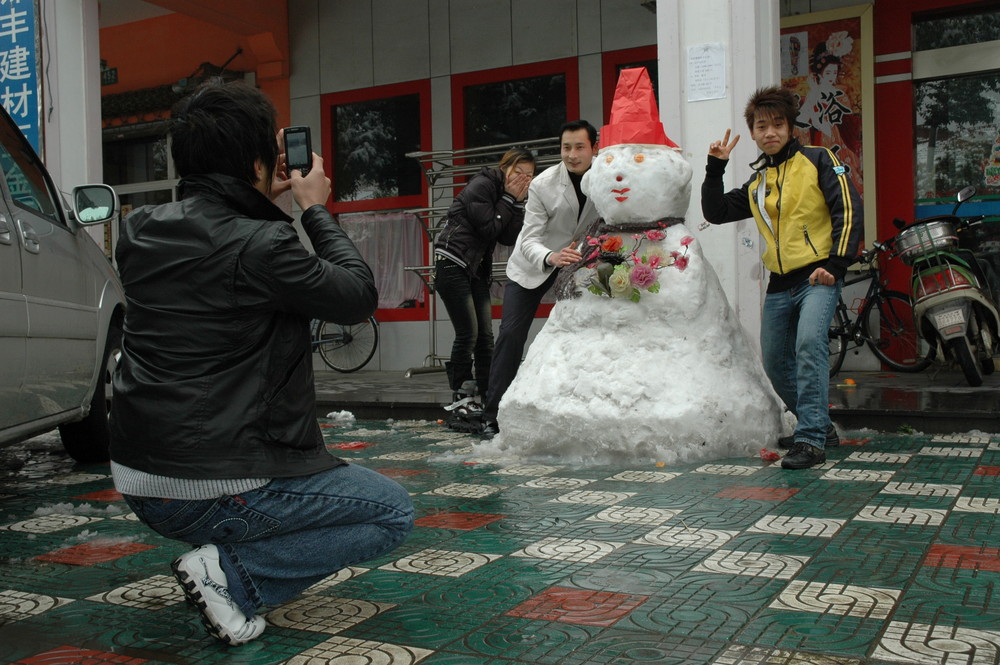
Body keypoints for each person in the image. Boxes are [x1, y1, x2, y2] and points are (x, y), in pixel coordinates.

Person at [108, 79, 414, 646]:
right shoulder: (263, 245)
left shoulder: (138, 230)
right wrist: (314, 208)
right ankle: (231, 579)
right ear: (258, 161)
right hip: (214, 484)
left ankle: (223, 561)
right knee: (390, 512)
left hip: (137, 475)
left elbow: (219, 253)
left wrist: (255, 197)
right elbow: (355, 296)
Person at [701, 86, 863, 470]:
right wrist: (715, 167)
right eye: (762, 126)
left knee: (809, 346)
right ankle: (818, 425)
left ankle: (809, 439)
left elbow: (848, 209)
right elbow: (716, 211)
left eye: (777, 124)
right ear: (753, 134)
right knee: (775, 363)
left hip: (819, 276)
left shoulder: (819, 159)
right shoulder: (759, 180)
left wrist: (837, 264)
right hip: (779, 282)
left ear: (791, 127)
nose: (769, 132)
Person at [481, 120, 600, 437]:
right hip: (535, 263)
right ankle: (492, 415)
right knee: (511, 334)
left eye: (579, 147)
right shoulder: (543, 185)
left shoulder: (605, 178)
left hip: (579, 264)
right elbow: (527, 239)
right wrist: (551, 257)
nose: (572, 155)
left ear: (594, 148)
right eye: (565, 147)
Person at [434, 147, 535, 431]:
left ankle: (491, 397)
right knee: (469, 333)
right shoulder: (483, 184)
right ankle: (461, 398)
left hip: (476, 269)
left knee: (486, 336)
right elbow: (489, 228)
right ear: (504, 168)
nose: (522, 179)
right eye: (517, 172)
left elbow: (506, 236)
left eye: (529, 175)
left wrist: (516, 203)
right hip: (452, 262)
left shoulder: (508, 195)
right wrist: (508, 198)